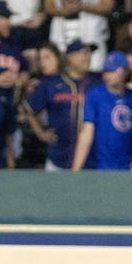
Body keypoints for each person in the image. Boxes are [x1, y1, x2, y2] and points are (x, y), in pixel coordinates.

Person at [23, 38, 98, 170]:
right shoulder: (50, 83)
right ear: (69, 57)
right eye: (83, 53)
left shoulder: (98, 81)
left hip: (93, 158)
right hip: (58, 158)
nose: (88, 56)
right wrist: (40, 133)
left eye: (89, 53)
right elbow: (30, 110)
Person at [71, 50, 132, 170]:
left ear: (125, 71)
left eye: (112, 71)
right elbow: (87, 132)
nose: (107, 75)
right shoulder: (95, 94)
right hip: (103, 166)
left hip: (131, 167)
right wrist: (75, 170)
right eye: (106, 71)